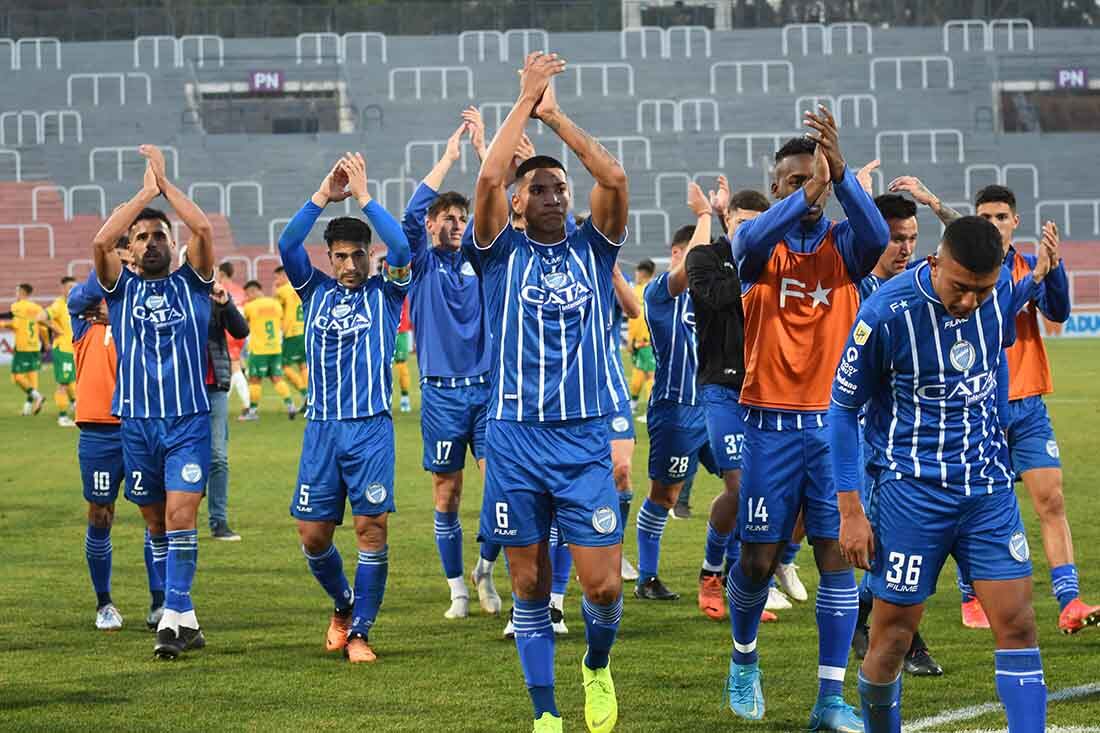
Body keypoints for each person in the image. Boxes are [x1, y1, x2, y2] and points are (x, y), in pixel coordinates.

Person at [831, 216, 1057, 732]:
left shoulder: (993, 295)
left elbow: (995, 356)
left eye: (981, 290)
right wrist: (850, 509)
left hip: (987, 491)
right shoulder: (886, 313)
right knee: (891, 639)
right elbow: (842, 410)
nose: (969, 302)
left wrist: (998, 425)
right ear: (936, 262)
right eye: (959, 288)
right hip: (912, 493)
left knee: (1019, 626)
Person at [470, 52, 629, 733]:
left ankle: (595, 663)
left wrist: (553, 112)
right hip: (514, 437)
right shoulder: (499, 252)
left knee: (604, 586)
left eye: (560, 187)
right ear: (516, 203)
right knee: (529, 584)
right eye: (537, 188)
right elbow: (485, 176)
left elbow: (614, 176)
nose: (554, 195)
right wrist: (523, 99)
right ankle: (545, 711)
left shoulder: (597, 249)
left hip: (584, 438)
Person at [724, 107, 889, 730]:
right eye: (792, 181)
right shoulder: (759, 247)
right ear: (774, 190)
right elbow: (747, 242)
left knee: (836, 555)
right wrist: (810, 194)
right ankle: (744, 661)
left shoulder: (843, 246)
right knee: (759, 560)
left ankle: (829, 698)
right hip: (766, 424)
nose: (805, 188)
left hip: (830, 425)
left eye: (810, 176)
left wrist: (842, 177)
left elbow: (874, 238)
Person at [279, 152, 412, 664]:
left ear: (368, 256)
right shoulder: (312, 292)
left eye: (359, 255)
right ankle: (342, 604)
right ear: (329, 257)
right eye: (341, 256)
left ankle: (361, 632)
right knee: (313, 537)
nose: (351, 265)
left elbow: (400, 244)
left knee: (370, 530)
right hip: (322, 431)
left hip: (370, 430)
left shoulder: (388, 293)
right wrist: (322, 195)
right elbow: (288, 243)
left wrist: (366, 195)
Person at [90, 144, 215, 660]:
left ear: (172, 244)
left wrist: (166, 188)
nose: (150, 243)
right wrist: (144, 192)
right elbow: (100, 239)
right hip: (137, 426)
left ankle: (171, 616)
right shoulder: (120, 292)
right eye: (140, 238)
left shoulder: (194, 283)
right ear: (129, 251)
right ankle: (186, 619)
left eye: (159, 234)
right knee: (157, 524)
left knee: (183, 517)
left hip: (187, 422)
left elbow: (203, 230)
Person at [969, 184, 1096, 633]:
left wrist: (1053, 270)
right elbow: (997, 320)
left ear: (1014, 222)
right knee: (981, 506)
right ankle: (972, 596)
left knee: (1052, 499)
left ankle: (1069, 601)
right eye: (984, 217)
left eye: (1000, 217)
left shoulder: (1028, 264)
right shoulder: (966, 270)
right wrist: (1036, 279)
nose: (993, 225)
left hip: (1027, 405)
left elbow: (1058, 313)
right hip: (979, 407)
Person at [400, 111, 503, 620]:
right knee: (448, 493)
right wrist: (448, 159)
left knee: (502, 484)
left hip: (487, 391)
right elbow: (407, 218)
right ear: (431, 224)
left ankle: (485, 566)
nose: (457, 225)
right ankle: (458, 587)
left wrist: (486, 154)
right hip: (441, 394)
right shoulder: (418, 264)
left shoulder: (481, 260)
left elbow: (502, 216)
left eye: (462, 219)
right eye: (448, 219)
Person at [849, 192, 942, 677]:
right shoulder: (854, 289)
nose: (904, 248)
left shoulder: (924, 292)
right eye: (894, 238)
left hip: (912, 438)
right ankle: (894, 634)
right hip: (860, 433)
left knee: (896, 538)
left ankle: (871, 621)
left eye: (910, 238)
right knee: (882, 537)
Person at [686, 180, 787, 621]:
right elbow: (713, 298)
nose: (748, 232)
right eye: (741, 224)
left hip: (768, 390)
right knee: (739, 485)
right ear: (728, 222)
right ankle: (712, 573)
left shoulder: (777, 261)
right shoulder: (705, 258)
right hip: (722, 387)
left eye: (757, 227)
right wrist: (751, 268)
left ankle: (740, 579)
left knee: (767, 492)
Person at [69, 241, 168, 632]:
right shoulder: (82, 311)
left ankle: (160, 603)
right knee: (100, 514)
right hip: (98, 431)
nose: (127, 270)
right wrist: (109, 253)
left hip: (141, 425)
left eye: (132, 264)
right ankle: (104, 602)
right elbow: (89, 289)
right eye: (120, 263)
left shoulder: (144, 311)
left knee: (155, 517)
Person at [636, 217, 716, 602]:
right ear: (676, 256)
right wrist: (703, 216)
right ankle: (647, 578)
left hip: (714, 409)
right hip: (676, 412)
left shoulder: (712, 296)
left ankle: (723, 574)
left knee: (746, 483)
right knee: (664, 497)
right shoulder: (661, 297)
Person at [205, 279, 249, 541]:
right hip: (181, 390)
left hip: (215, 387)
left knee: (218, 456)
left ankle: (218, 521)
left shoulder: (216, 299)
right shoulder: (175, 297)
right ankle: (171, 520)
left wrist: (226, 303)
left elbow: (241, 330)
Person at [607, 261, 642, 583]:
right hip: (568, 395)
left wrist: (614, 270)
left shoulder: (611, 274)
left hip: (611, 391)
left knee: (622, 469)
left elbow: (633, 310)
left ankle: (615, 552)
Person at [239, 280, 297, 421]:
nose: (247, 297)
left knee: (254, 380)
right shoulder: (276, 304)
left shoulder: (250, 306)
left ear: (254, 291)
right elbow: (282, 321)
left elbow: (242, 325)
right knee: (277, 378)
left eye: (248, 294)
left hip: (259, 349)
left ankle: (252, 412)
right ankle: (290, 405)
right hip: (275, 347)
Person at [1, 284, 46, 415]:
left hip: (23, 347)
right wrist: (46, 343)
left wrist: (2, 323)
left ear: (21, 292)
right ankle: (27, 408)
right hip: (35, 346)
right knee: (32, 376)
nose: (15, 294)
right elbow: (43, 328)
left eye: (16, 291)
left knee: (17, 377)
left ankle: (37, 397)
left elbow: (13, 322)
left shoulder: (17, 306)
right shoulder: (37, 308)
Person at [41, 277, 78, 426]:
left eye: (74, 287)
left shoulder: (74, 304)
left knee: (71, 381)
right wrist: (55, 328)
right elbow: (40, 317)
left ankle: (74, 403)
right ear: (62, 289)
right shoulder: (58, 305)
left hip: (72, 349)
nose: (72, 290)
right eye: (69, 287)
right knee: (63, 383)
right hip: (63, 349)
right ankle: (62, 417)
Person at [216, 262, 251, 410]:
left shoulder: (220, 289)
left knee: (234, 368)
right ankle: (230, 402)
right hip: (239, 332)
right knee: (233, 368)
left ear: (222, 274)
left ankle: (247, 405)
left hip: (227, 333)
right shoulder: (240, 290)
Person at [273, 266, 308, 406]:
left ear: (284, 276)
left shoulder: (282, 291)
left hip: (291, 333)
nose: (275, 281)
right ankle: (310, 397)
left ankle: (306, 393)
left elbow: (276, 312)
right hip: (303, 330)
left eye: (277, 277)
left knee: (283, 366)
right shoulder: (300, 287)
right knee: (303, 365)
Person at [627, 260, 655, 411]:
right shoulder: (653, 289)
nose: (635, 275)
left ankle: (647, 405)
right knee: (642, 372)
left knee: (648, 374)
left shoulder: (637, 291)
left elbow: (636, 319)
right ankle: (636, 403)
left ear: (642, 273)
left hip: (644, 342)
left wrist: (631, 340)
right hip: (644, 342)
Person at [393, 299, 413, 413]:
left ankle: (405, 398)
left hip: (401, 332)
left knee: (401, 366)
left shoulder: (403, 286)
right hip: (386, 329)